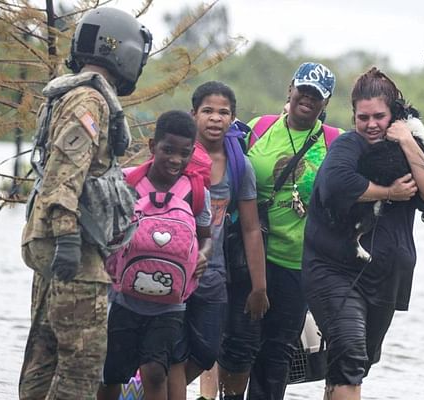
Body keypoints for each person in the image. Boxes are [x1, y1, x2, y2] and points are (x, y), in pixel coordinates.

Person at [18, 7, 152, 399]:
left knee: (44, 350)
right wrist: (68, 238)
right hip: (72, 244)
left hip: (56, 239)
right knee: (82, 361)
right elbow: (66, 172)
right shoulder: (88, 102)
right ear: (123, 51)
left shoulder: (74, 93)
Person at [302, 67, 424, 400]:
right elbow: (335, 184)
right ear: (353, 116)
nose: (371, 124)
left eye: (379, 116)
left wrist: (408, 140)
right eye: (362, 117)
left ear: (394, 114)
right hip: (333, 268)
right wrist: (388, 192)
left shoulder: (410, 145)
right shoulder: (348, 147)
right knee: (350, 355)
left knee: (353, 365)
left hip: (384, 277)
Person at [215, 61, 340, 400]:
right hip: (246, 254)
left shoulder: (333, 142)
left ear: (325, 103)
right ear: (291, 89)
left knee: (277, 351)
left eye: (317, 95)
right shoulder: (259, 127)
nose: (308, 99)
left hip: (297, 263)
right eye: (304, 90)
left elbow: (352, 189)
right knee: (238, 343)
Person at [97, 110, 213, 400]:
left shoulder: (196, 191)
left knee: (155, 370)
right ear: (152, 146)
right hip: (122, 299)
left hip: (170, 304)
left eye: (185, 153)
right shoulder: (127, 183)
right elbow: (103, 231)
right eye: (168, 150)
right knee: (112, 372)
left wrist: (203, 255)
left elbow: (205, 237)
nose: (176, 159)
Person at [168, 81, 269, 399]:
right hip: (171, 270)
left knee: (206, 351)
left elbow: (251, 229)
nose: (215, 118)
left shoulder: (240, 166)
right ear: (193, 114)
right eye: (207, 111)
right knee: (169, 352)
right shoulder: (175, 159)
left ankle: (148, 392)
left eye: (223, 112)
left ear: (233, 118)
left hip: (213, 275)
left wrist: (259, 287)